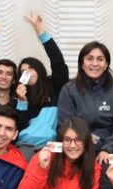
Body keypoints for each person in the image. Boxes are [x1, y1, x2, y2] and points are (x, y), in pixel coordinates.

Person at [13, 12, 70, 162]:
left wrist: (41, 32)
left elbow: (58, 63)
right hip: (25, 144)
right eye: (23, 71)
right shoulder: (20, 95)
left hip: (52, 145)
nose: (27, 73)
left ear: (38, 69)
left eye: (30, 68)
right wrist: (22, 102)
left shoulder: (54, 86)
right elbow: (19, 126)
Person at [56, 41, 113, 152]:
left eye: (100, 59)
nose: (94, 64)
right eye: (89, 59)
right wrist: (84, 142)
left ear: (106, 64)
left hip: (110, 147)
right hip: (77, 146)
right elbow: (65, 126)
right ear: (82, 64)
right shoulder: (69, 90)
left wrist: (107, 149)